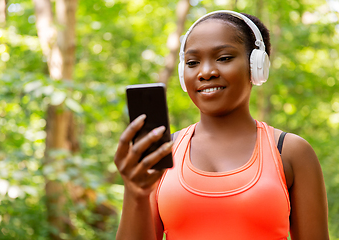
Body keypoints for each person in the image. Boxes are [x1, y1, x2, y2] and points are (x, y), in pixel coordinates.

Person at [114, 10, 329, 240]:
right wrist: (135, 192)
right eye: (193, 62)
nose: (206, 72)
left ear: (257, 65)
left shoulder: (292, 152)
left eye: (224, 58)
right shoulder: (163, 152)